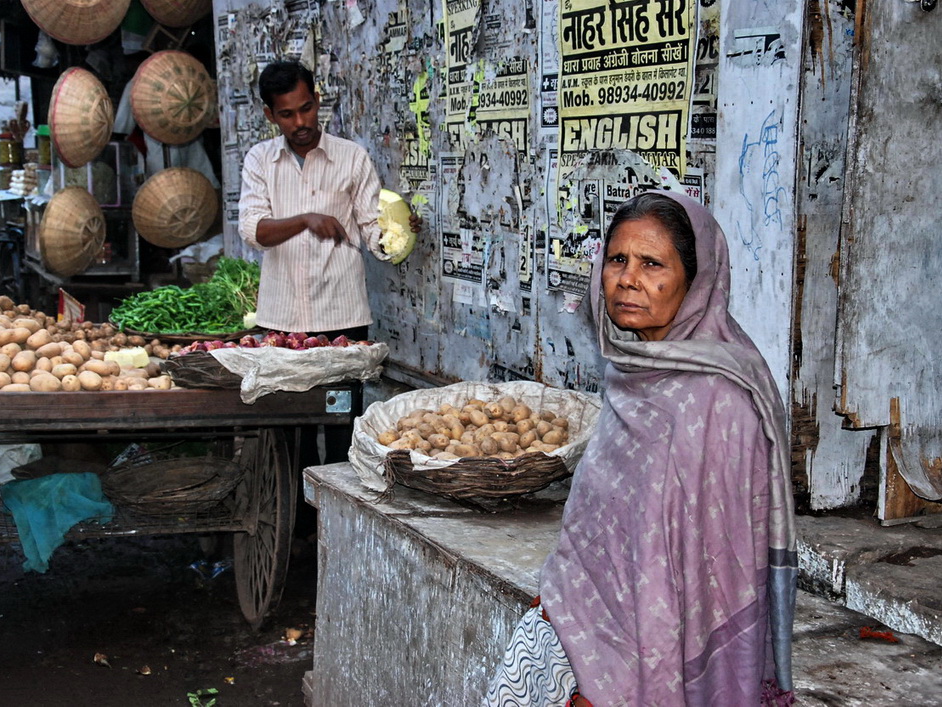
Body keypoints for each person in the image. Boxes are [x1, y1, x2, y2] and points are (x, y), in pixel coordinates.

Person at [485, 191, 797, 706]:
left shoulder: (720, 403)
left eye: (653, 264)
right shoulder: (633, 374)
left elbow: (715, 565)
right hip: (593, 625)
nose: (628, 279)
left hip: (671, 645)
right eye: (617, 260)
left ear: (695, 283)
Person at [237, 60, 420, 343]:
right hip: (281, 319)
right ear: (270, 115)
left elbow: (372, 228)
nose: (300, 122)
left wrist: (400, 232)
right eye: (286, 114)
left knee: (342, 389)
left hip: (342, 316)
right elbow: (253, 231)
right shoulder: (259, 160)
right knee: (287, 389)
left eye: (306, 109)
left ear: (317, 100)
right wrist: (305, 220)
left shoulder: (352, 157)